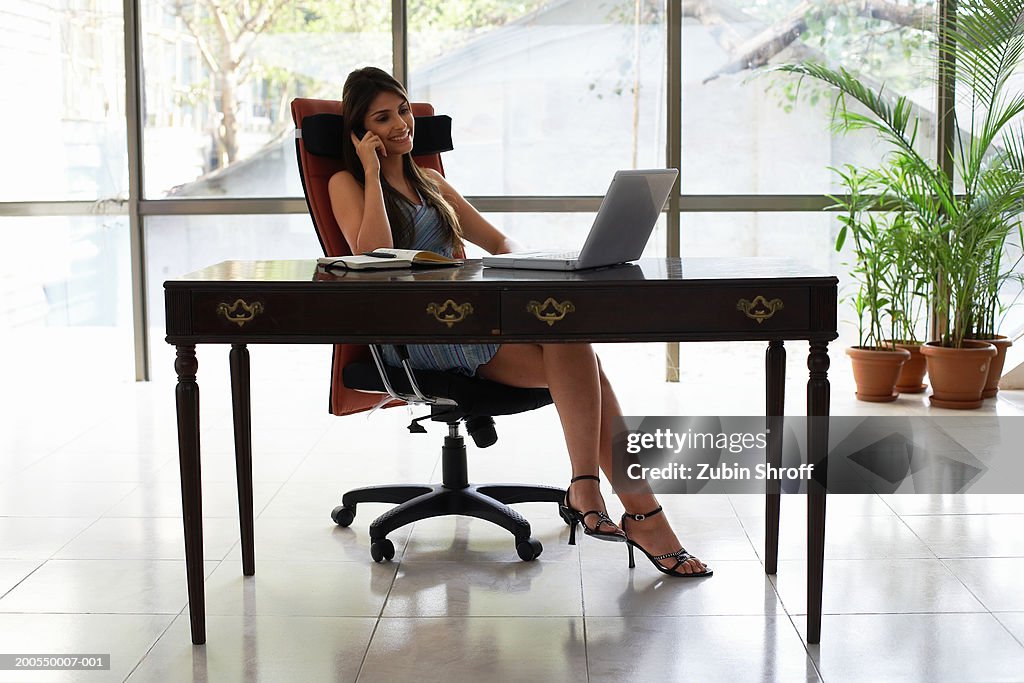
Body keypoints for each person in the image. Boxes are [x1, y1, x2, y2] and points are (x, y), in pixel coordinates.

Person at [328, 66, 710, 577]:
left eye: (403, 110)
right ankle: (626, 507)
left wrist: (532, 267)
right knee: (580, 355)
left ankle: (599, 492)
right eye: (383, 117)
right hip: (416, 336)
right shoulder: (346, 183)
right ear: (360, 131)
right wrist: (373, 174)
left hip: (471, 322)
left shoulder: (433, 182)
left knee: (573, 341)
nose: (401, 123)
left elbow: (498, 241)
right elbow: (371, 252)